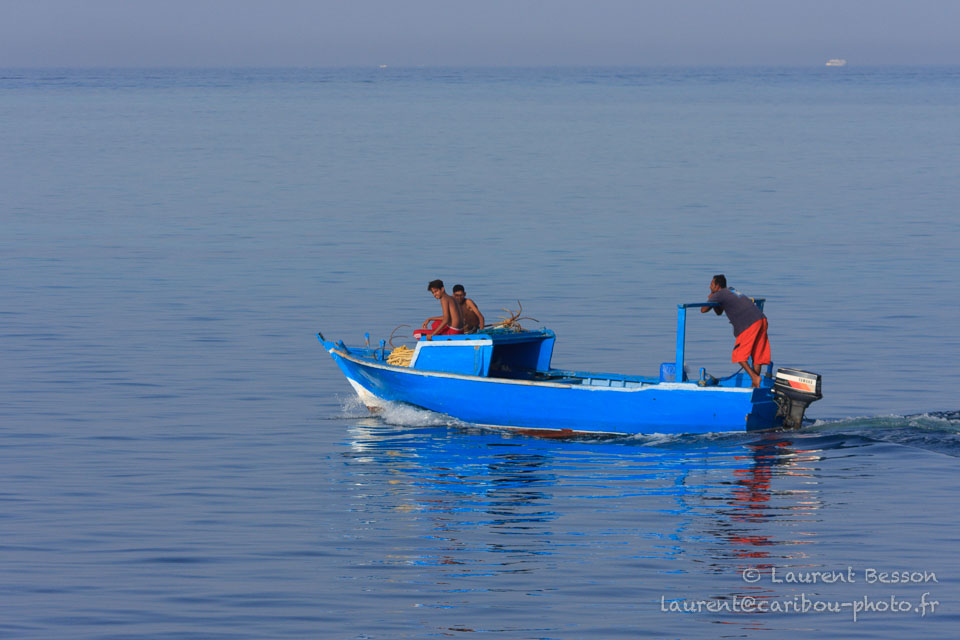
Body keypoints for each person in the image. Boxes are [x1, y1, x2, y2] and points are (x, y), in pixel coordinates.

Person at [700, 274, 771, 388]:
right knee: (757, 356)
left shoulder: (718, 294)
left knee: (739, 355)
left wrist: (711, 297)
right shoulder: (731, 290)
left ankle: (755, 378)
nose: (709, 286)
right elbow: (719, 312)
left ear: (717, 286)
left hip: (749, 324)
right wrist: (714, 299)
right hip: (761, 319)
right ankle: (755, 386)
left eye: (711, 284)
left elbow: (703, 310)